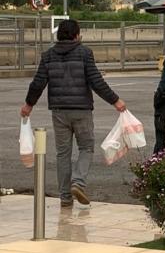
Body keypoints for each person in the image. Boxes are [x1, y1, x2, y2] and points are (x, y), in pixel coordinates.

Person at [20, 19, 126, 208]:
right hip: (82, 110)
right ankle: (78, 182)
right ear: (77, 35)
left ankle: (65, 197)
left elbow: (37, 83)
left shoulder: (48, 56)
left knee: (63, 154)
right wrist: (115, 100)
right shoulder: (85, 53)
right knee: (86, 148)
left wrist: (29, 105)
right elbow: (96, 81)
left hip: (59, 111)